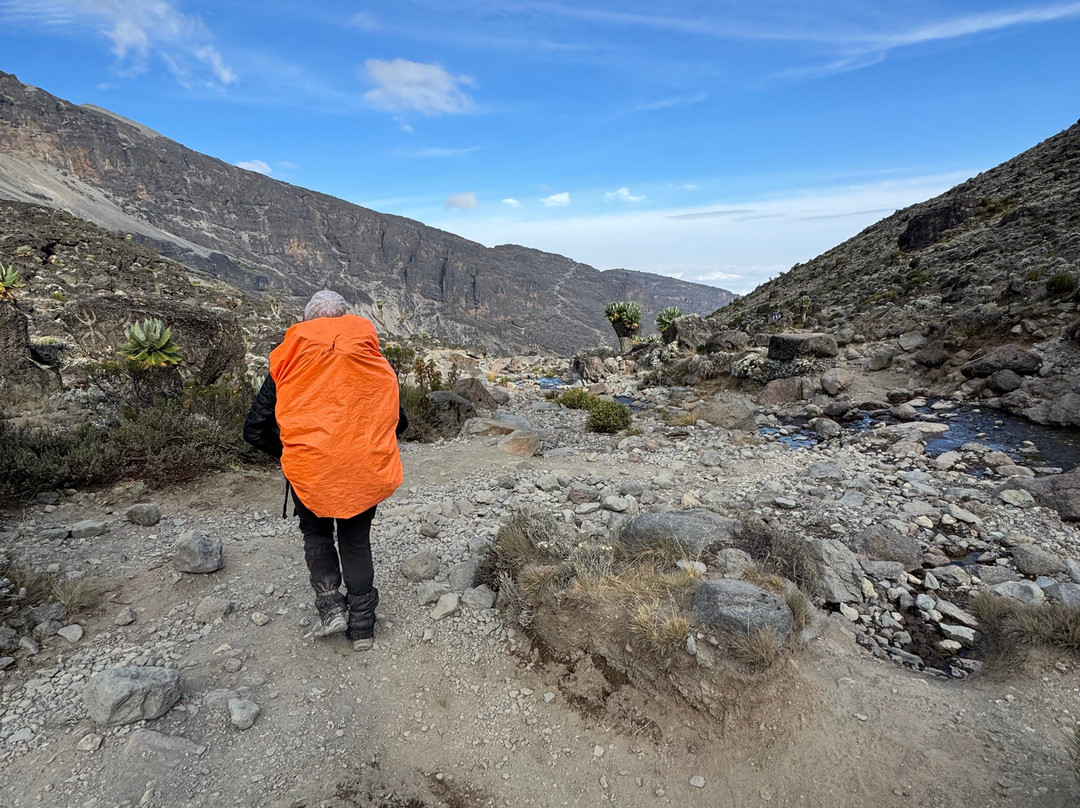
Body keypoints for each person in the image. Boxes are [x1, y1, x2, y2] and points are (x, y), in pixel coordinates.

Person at [243, 290, 406, 651]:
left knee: (316, 537)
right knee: (355, 540)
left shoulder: (288, 362)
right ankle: (362, 628)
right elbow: (399, 420)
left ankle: (331, 607)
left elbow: (253, 429)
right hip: (362, 470)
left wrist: (293, 454)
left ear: (305, 322)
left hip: (309, 473)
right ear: (346, 319)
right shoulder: (370, 358)